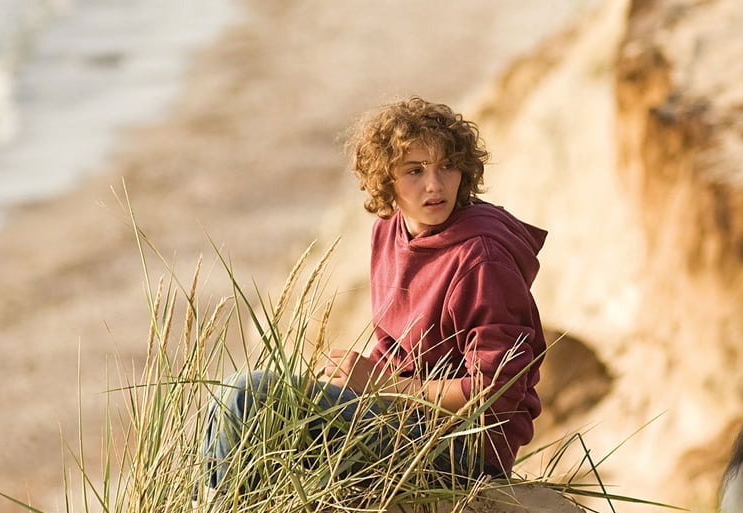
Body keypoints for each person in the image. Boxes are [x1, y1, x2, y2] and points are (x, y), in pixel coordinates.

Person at [205, 96, 547, 486]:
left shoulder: (482, 258)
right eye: (414, 171)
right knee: (227, 400)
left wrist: (381, 385)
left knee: (252, 394)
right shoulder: (389, 232)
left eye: (447, 167)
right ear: (386, 180)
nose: (434, 185)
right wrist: (348, 384)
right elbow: (395, 347)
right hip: (400, 415)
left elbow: (495, 390)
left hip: (461, 449)